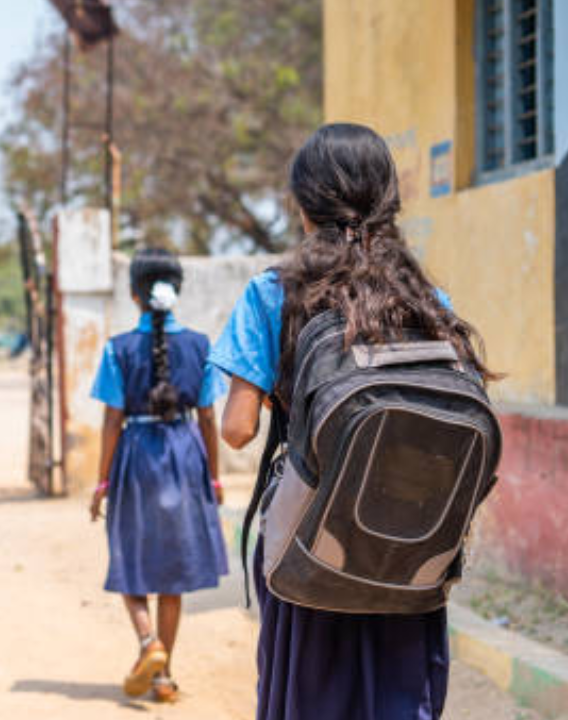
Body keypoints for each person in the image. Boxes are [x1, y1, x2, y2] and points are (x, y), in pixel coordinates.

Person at [208, 123, 495, 720]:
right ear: (388, 199)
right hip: (412, 545)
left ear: (304, 203)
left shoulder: (273, 293)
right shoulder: (425, 297)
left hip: (310, 542)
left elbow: (236, 429)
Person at [87, 248, 228, 702]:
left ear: (134, 295)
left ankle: (149, 643)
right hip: (186, 455)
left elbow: (111, 420)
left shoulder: (118, 348)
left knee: (129, 557)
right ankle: (163, 678)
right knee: (172, 570)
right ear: (178, 290)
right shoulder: (201, 346)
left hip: (136, 456)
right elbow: (207, 417)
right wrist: (216, 478)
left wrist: (102, 482)